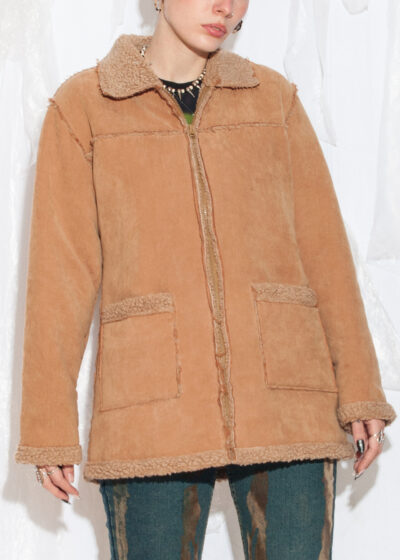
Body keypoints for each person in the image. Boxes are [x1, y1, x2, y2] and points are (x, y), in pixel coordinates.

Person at [14, 0, 396, 558]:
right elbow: (59, 280)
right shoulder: (85, 108)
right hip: (149, 407)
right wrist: (48, 425)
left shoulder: (274, 100)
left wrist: (360, 388)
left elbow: (326, 255)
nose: (226, 6)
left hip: (286, 400)